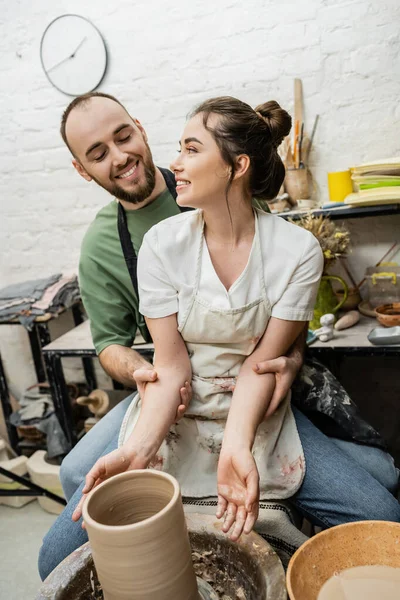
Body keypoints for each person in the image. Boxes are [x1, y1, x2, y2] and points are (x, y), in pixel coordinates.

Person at [38, 93, 399, 580]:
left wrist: (237, 446)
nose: (172, 162)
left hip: (259, 402)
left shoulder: (296, 250)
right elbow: (164, 365)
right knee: (54, 554)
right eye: (98, 153)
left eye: (189, 149)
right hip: (176, 402)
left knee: (383, 512)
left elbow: (262, 364)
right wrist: (141, 450)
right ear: (84, 168)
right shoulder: (155, 245)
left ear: (237, 166)